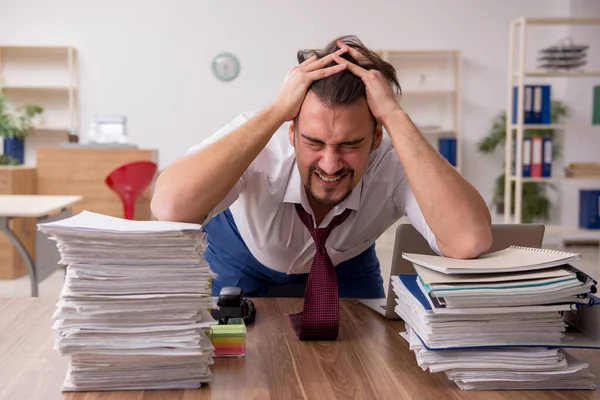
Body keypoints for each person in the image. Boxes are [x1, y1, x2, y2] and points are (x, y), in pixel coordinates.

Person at [151, 35, 492, 299]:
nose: (330, 165)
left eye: (350, 145)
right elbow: (169, 209)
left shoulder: (392, 158)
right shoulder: (262, 136)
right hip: (241, 257)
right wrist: (275, 112)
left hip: (345, 267)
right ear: (292, 131)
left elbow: (469, 241)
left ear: (375, 139)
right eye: (313, 142)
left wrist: (395, 117)